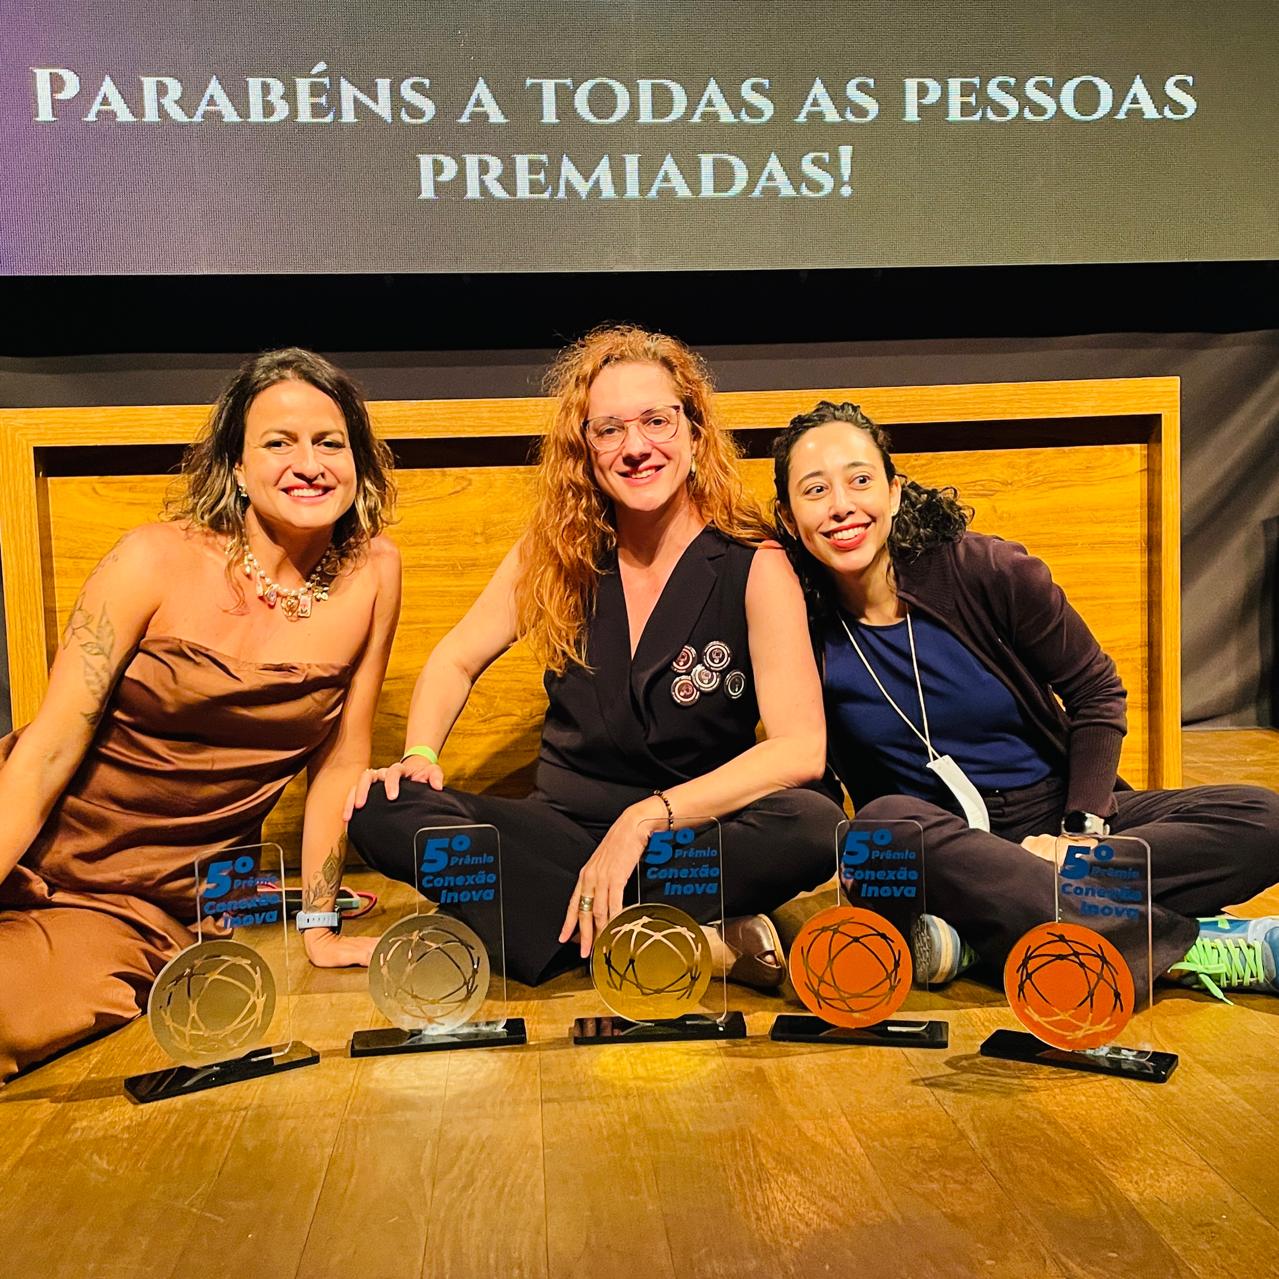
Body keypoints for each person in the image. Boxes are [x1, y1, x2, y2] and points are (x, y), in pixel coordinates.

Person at [346, 324, 841, 987]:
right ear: (585, 450)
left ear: (694, 433)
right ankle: (685, 936)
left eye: (656, 422)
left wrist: (644, 818)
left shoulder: (755, 565)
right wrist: (420, 756)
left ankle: (568, 926)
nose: (635, 447)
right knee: (380, 810)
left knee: (813, 824)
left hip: (682, 836)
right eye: (608, 429)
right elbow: (454, 660)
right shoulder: (555, 553)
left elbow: (800, 748)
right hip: (558, 834)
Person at [772, 399, 1279, 1000]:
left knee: (1263, 819)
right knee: (880, 829)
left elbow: (1095, 692)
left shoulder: (985, 571)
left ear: (896, 491)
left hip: (1054, 824)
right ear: (787, 514)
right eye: (815, 491)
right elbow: (807, 765)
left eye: (860, 481)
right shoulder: (796, 625)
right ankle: (1181, 947)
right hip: (937, 843)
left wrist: (1081, 831)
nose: (842, 507)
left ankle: (981, 934)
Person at [0, 348, 401, 1082]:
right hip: (26, 830)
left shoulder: (373, 573)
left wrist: (319, 923)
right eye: (278, 442)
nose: (307, 462)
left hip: (136, 899)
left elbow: (340, 761)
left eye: (329, 442)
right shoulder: (153, 558)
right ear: (238, 468)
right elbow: (48, 748)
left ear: (357, 460)